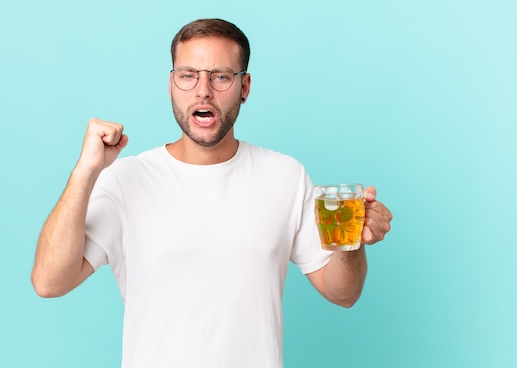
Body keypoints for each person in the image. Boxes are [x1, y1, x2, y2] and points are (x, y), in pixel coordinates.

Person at [31, 18, 393, 368]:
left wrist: (351, 244)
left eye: (220, 76)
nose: (203, 90)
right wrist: (86, 171)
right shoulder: (126, 179)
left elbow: (343, 294)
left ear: (244, 87)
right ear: (171, 84)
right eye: (188, 76)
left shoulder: (285, 176)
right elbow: (49, 282)